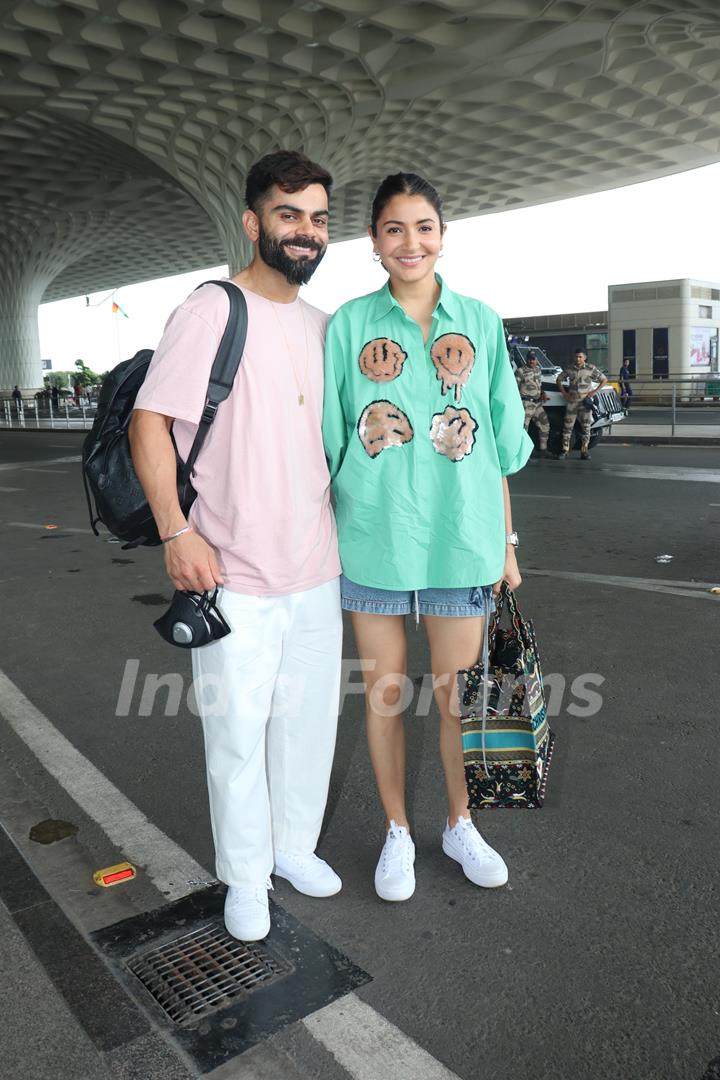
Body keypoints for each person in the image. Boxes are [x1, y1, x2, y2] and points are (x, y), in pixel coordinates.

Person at [129, 150, 343, 942]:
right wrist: (175, 531)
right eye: (289, 215)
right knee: (236, 736)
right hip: (230, 574)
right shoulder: (210, 311)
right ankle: (245, 876)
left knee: (308, 724)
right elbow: (147, 424)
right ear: (254, 223)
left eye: (319, 219)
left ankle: (294, 848)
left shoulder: (326, 327)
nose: (305, 232)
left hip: (318, 570)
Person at [322, 172, 532, 903]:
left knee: (454, 698)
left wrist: (505, 543)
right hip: (374, 537)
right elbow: (326, 436)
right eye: (393, 229)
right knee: (384, 694)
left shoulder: (480, 321)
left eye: (423, 227)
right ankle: (396, 832)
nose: (410, 243)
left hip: (461, 540)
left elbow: (502, 446)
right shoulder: (347, 326)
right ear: (374, 241)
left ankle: (459, 822)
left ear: (442, 234)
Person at [555, 348, 607, 460]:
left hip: (584, 402)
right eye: (576, 356)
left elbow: (604, 379)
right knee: (567, 427)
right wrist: (564, 393)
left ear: (584, 357)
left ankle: (584, 451)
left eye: (580, 357)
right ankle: (564, 450)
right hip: (572, 402)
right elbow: (558, 379)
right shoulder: (569, 369)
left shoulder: (590, 368)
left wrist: (594, 392)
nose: (577, 359)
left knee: (586, 428)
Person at [515, 350, 551, 457]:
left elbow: (538, 385)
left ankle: (543, 450)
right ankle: (522, 453)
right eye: (530, 359)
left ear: (537, 360)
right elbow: (514, 388)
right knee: (524, 428)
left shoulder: (538, 370)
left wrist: (543, 393)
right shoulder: (520, 371)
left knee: (545, 425)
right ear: (526, 359)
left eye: (534, 359)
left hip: (537, 403)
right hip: (526, 403)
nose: (532, 361)